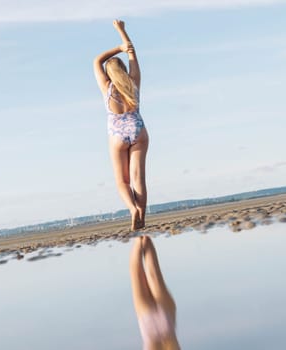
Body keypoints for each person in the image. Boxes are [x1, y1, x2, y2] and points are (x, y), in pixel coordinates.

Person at [93, 19, 149, 231]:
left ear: (109, 74)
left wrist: (117, 48)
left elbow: (96, 61)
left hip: (117, 135)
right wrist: (122, 32)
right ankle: (142, 216)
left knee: (122, 181)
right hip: (138, 129)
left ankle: (132, 210)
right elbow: (132, 53)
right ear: (124, 70)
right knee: (138, 178)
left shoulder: (106, 87)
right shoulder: (134, 82)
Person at [130, 236, 180, 350]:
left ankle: (143, 236)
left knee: (153, 273)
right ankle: (139, 237)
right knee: (137, 272)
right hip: (148, 322)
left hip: (165, 321)